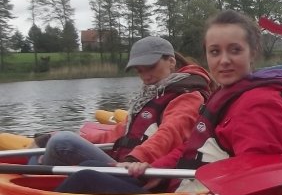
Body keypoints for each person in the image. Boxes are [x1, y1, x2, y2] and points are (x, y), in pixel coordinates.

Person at [55, 10, 282, 195]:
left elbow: (257, 173)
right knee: (89, 167)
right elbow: (191, 146)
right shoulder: (227, 94)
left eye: (235, 50)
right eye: (215, 52)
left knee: (85, 178)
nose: (224, 60)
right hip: (180, 185)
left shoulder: (259, 103)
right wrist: (154, 168)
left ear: (253, 52)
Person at [35, 36, 212, 167]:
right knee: (53, 142)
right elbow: (119, 133)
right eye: (139, 71)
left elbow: (170, 133)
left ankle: (40, 189)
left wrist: (135, 158)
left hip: (144, 169)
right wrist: (78, 138)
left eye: (150, 67)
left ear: (171, 61)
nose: (146, 76)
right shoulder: (152, 95)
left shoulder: (188, 95)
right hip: (126, 163)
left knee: (62, 142)